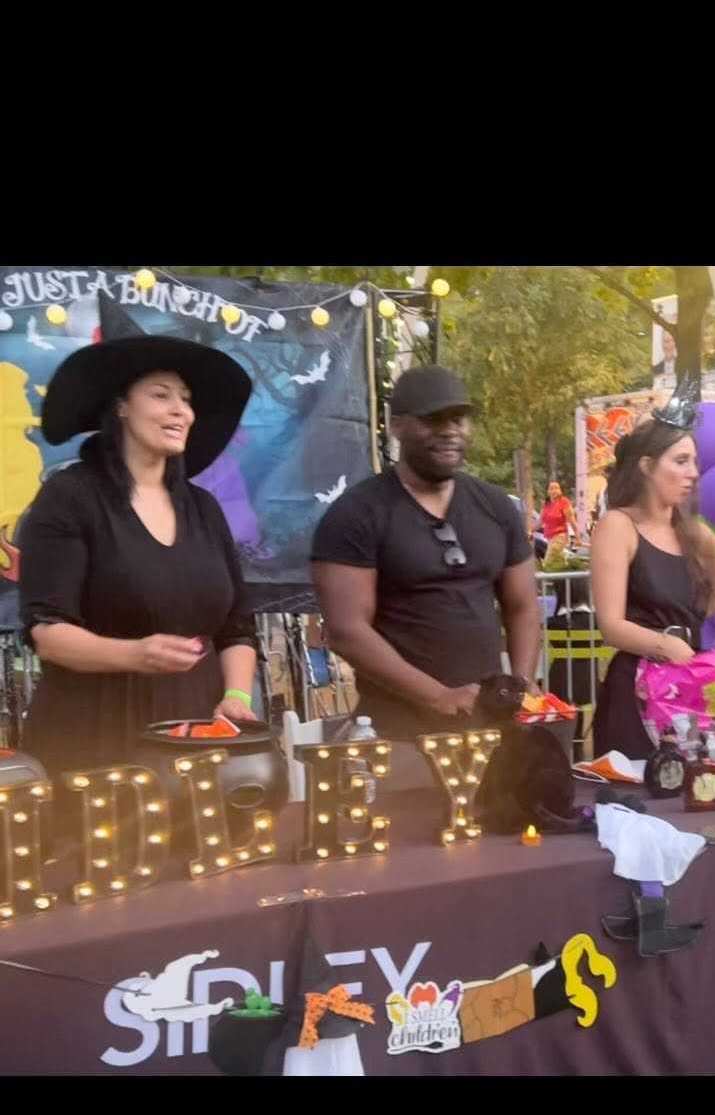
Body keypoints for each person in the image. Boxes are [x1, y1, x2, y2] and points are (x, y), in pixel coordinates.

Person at [18, 316, 258, 783]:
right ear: (121, 406)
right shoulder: (70, 497)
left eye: (186, 400)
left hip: (198, 740)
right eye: (161, 394)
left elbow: (237, 629)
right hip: (94, 742)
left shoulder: (204, 509)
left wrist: (238, 698)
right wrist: (134, 655)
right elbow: (48, 633)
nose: (181, 411)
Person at [311, 363, 541, 739]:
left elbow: (522, 604)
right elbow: (347, 630)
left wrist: (522, 682)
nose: (449, 431)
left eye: (458, 419)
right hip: (396, 728)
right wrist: (437, 696)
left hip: (488, 722)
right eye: (433, 419)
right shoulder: (356, 514)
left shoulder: (496, 507)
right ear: (398, 425)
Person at [590, 416, 715, 762]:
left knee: (698, 793)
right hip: (637, 692)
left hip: (691, 688)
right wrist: (665, 643)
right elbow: (611, 625)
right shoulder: (617, 526)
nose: (693, 472)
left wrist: (691, 617)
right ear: (647, 467)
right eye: (681, 461)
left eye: (695, 462)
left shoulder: (697, 534)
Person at [535, 479, 577, 561]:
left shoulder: (564, 502)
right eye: (551, 488)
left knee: (548, 562)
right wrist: (530, 530)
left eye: (556, 488)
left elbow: (572, 521)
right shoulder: (546, 504)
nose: (554, 490)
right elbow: (540, 522)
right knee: (558, 562)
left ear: (560, 490)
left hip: (560, 536)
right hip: (549, 538)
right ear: (547, 491)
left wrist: (577, 537)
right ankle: (569, 571)